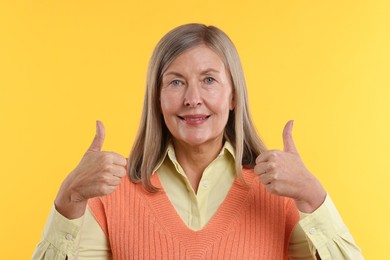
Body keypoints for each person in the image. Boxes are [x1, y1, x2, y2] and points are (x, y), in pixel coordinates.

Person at [33, 23, 363, 259]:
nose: (193, 98)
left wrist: (312, 195)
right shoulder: (110, 194)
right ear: (157, 98)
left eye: (208, 80)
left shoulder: (280, 193)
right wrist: (70, 195)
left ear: (234, 96)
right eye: (176, 82)